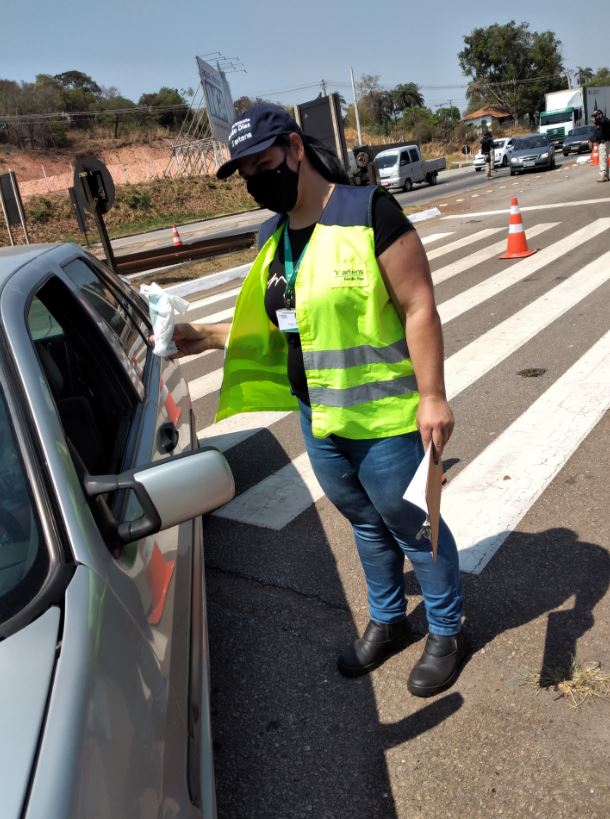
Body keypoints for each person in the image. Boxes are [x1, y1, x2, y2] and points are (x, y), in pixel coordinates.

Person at [172, 103, 467, 697]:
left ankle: (446, 629)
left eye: (264, 163)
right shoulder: (271, 238)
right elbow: (282, 324)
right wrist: (202, 337)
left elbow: (418, 307)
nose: (258, 180)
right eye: (246, 173)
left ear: (297, 149)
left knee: (414, 524)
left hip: (384, 416)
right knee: (363, 523)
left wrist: (433, 395)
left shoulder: (369, 213)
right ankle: (388, 621)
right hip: (319, 417)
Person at [591, 108, 610, 182]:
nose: (594, 117)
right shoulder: (599, 123)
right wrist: (591, 139)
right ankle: (606, 175)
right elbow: (597, 133)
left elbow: (603, 122)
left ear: (600, 114)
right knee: (603, 158)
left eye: (596, 115)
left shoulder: (604, 120)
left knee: (602, 158)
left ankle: (604, 175)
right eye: (594, 116)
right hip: (602, 142)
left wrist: (596, 121)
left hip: (604, 142)